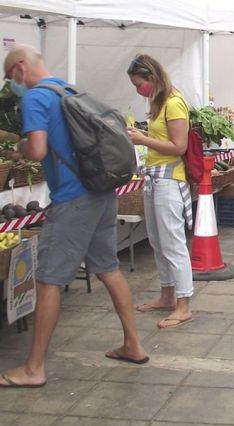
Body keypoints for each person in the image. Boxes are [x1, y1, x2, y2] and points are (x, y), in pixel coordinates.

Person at [0, 45, 148, 387]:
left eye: (11, 77)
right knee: (108, 269)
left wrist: (20, 147)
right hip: (101, 192)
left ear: (20, 67)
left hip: (71, 200)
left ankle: (34, 368)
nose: (12, 84)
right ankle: (133, 344)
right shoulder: (67, 88)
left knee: (49, 279)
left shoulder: (36, 98)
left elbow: (36, 149)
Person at [127, 54, 194, 329]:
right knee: (157, 240)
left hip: (169, 180)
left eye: (138, 84)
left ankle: (183, 303)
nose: (137, 89)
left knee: (173, 242)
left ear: (152, 78)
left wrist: (143, 139)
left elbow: (179, 146)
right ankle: (167, 294)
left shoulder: (174, 103)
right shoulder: (158, 103)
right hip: (155, 179)